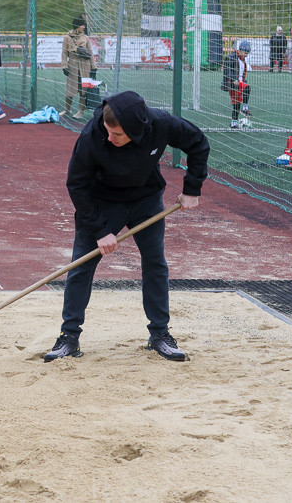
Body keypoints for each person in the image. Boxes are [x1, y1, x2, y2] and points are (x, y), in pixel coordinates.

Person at [44, 90, 210, 363]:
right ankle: (69, 337)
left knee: (155, 262)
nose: (110, 138)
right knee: (80, 265)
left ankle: (159, 334)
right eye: (108, 132)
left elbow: (198, 143)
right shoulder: (92, 136)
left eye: (118, 135)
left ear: (136, 129)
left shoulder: (161, 123)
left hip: (145, 199)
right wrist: (100, 230)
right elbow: (77, 184)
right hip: (101, 202)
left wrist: (192, 188)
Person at [63, 16, 95, 118]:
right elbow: (64, 53)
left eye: (84, 25)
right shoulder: (67, 37)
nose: (84, 27)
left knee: (83, 90)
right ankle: (67, 110)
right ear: (77, 25)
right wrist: (64, 66)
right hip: (72, 66)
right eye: (82, 25)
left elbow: (90, 53)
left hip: (85, 66)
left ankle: (80, 112)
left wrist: (94, 67)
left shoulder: (85, 38)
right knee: (70, 90)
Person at [221, 40, 253, 128]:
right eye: (245, 53)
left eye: (247, 53)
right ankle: (245, 108)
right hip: (233, 84)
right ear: (240, 50)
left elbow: (241, 73)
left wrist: (242, 80)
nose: (246, 55)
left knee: (237, 104)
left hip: (238, 83)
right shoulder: (232, 57)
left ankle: (233, 123)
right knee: (247, 88)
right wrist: (233, 79)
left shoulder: (242, 60)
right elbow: (227, 69)